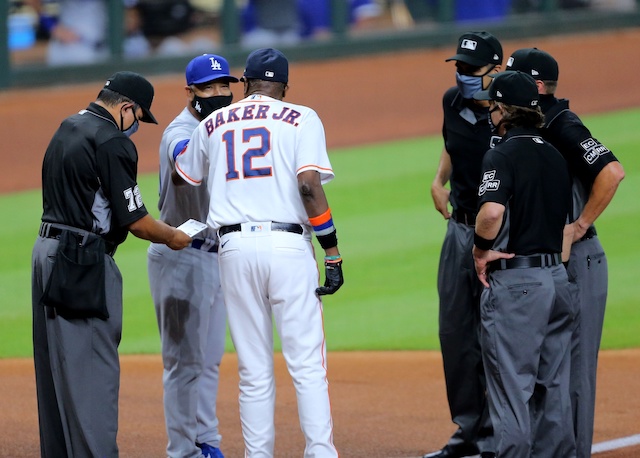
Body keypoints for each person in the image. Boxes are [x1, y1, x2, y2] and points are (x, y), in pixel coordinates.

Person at [173, 47, 344, 457]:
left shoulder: (212, 122)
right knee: (306, 365)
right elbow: (309, 185)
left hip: (232, 249)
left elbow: (184, 176)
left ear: (245, 82)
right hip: (287, 246)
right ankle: (320, 452)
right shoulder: (302, 116)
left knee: (253, 370)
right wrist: (332, 252)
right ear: (284, 87)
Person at [31, 71, 192, 457]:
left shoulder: (68, 126)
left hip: (45, 254)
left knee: (56, 376)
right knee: (92, 379)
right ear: (125, 108)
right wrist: (174, 236)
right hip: (81, 261)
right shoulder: (112, 141)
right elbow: (135, 221)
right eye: (138, 116)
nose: (137, 125)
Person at [505, 47, 625, 458]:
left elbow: (612, 172)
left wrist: (578, 226)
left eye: (514, 80)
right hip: (541, 269)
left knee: (572, 375)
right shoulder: (521, 128)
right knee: (541, 370)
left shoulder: (562, 123)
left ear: (537, 87)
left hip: (578, 261)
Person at [472, 70, 576, 457]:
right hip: (557, 281)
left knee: (511, 387)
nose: (489, 112)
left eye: (492, 106)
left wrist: (481, 250)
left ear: (503, 109)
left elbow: (491, 213)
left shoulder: (500, 153)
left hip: (519, 285)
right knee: (553, 385)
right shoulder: (554, 153)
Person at [147, 53, 239, 458]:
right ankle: (182, 451)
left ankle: (207, 441)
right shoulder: (179, 132)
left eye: (225, 86)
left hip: (217, 254)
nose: (220, 95)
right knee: (184, 364)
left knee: (210, 360)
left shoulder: (225, 126)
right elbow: (187, 167)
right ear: (190, 92)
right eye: (209, 88)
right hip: (181, 256)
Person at [425, 31, 503, 458]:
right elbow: (452, 140)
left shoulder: (515, 111)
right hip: (459, 230)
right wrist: (439, 179)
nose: (463, 75)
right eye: (459, 67)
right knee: (455, 333)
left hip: (503, 237)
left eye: (471, 69)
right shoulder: (451, 101)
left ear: (496, 69)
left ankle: (501, 435)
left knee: (499, 336)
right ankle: (469, 431)